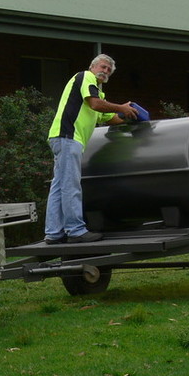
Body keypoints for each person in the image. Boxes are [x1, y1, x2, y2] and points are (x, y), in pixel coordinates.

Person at [44, 54, 137, 244]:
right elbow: (95, 104)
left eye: (109, 70)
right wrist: (121, 106)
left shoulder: (98, 95)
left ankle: (54, 233)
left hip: (62, 137)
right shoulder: (85, 77)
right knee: (70, 184)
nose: (105, 71)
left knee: (60, 185)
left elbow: (110, 117)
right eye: (103, 67)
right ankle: (76, 230)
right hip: (68, 136)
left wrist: (130, 116)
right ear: (92, 67)